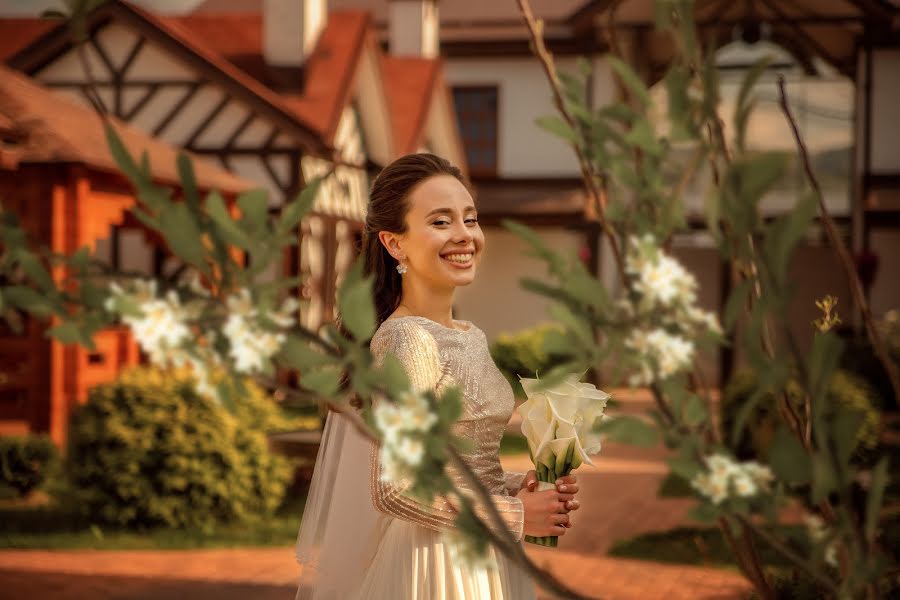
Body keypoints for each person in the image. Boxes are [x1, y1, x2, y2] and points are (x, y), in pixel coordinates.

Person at [295, 153, 581, 599]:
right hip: (434, 564)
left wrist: (517, 488)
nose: (464, 235)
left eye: (470, 218)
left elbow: (467, 468)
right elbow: (395, 489)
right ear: (394, 244)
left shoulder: (469, 335)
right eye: (441, 222)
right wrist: (515, 517)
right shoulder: (407, 340)